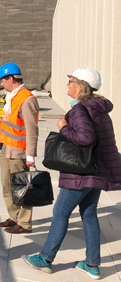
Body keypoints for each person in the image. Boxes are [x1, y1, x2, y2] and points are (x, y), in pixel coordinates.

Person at [22, 68, 121, 279]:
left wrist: (63, 126)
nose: (67, 84)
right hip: (96, 171)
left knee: (60, 213)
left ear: (81, 86)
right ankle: (92, 264)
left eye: (71, 81)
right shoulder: (98, 109)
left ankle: (45, 259)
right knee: (89, 214)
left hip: (80, 173)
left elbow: (85, 138)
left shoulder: (80, 110)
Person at [0, 62, 39, 234]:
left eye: (2, 80)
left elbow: (31, 130)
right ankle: (14, 216)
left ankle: (24, 223)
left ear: (11, 79)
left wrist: (30, 155)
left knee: (22, 187)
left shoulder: (27, 99)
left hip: (19, 151)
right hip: (6, 148)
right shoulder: (12, 97)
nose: (0, 84)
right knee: (7, 185)